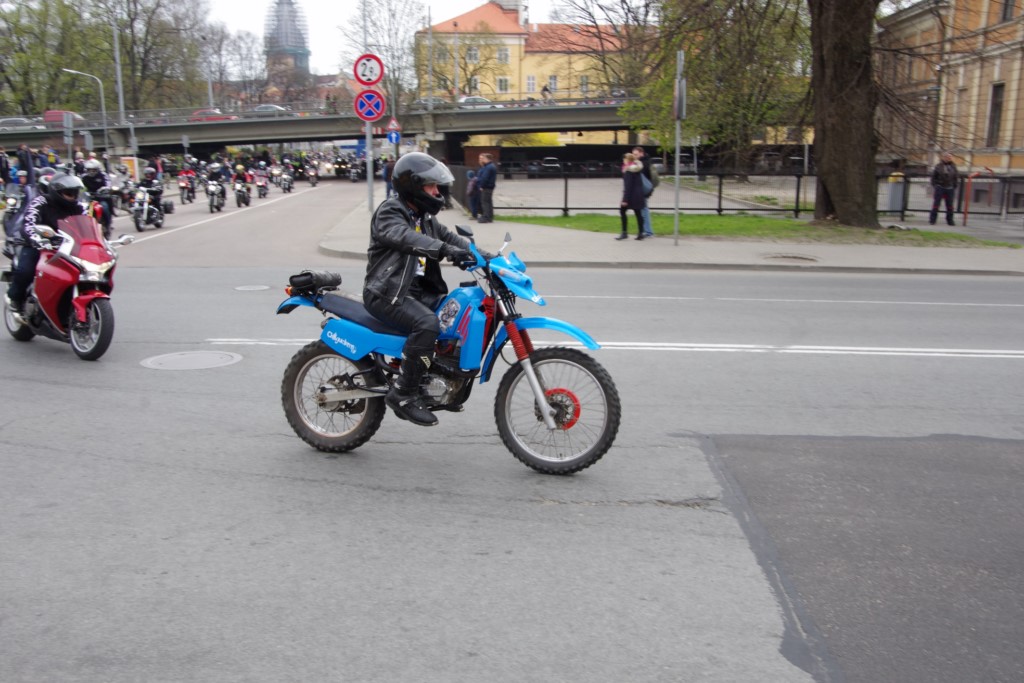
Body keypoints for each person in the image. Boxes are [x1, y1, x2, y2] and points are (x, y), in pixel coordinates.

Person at [362, 152, 477, 427]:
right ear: (413, 186)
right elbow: (405, 237)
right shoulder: (390, 212)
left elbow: (452, 239)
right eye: (431, 186)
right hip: (386, 292)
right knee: (427, 324)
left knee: (458, 312)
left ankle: (442, 381)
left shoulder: (425, 218)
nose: (437, 192)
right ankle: (404, 393)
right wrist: (445, 250)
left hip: (415, 291)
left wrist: (490, 259)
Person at [5, 173, 86, 315]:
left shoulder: (79, 206)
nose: (73, 196)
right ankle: (15, 298)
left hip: (67, 247)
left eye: (75, 193)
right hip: (39, 245)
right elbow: (28, 223)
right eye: (69, 193)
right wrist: (36, 238)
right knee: (26, 271)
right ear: (57, 192)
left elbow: (87, 224)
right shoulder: (40, 201)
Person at [616, 152, 646, 241]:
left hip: (630, 196)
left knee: (622, 211)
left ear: (627, 160)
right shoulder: (637, 169)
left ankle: (624, 232)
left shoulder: (628, 171)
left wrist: (625, 200)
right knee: (638, 214)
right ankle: (641, 233)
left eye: (624, 159)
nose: (623, 161)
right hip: (639, 195)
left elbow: (628, 186)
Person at [80, 159, 113, 236]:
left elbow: (108, 183)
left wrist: (105, 188)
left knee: (105, 207)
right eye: (89, 170)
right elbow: (79, 185)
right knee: (81, 210)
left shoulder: (103, 175)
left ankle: (107, 225)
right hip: (88, 198)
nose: (91, 172)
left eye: (93, 170)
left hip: (101, 197)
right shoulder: (83, 177)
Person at [929, 151, 959, 226]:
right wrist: (936, 185)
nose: (949, 158)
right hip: (940, 187)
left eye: (950, 157)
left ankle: (950, 220)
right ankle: (932, 220)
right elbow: (934, 177)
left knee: (950, 205)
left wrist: (954, 185)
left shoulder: (953, 166)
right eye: (947, 157)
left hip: (950, 188)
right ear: (944, 157)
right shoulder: (938, 166)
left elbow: (955, 177)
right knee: (936, 204)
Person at [632, 146, 654, 237]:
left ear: (641, 153)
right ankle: (646, 230)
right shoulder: (645, 161)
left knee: (644, 210)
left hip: (643, 190)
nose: (634, 156)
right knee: (643, 210)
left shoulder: (643, 164)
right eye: (633, 154)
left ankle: (648, 231)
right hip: (644, 189)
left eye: (636, 154)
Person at [476, 152, 497, 223]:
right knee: (489, 202)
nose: (483, 160)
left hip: (486, 187)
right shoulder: (491, 166)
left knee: (485, 202)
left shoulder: (488, 167)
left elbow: (485, 178)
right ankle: (489, 217)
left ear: (488, 159)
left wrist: (482, 186)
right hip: (490, 186)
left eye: (484, 158)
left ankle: (486, 217)